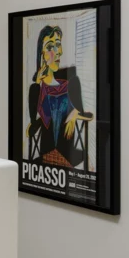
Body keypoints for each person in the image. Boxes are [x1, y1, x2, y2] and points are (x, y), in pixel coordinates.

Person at [27, 25, 92, 168]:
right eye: (50, 47)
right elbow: (33, 124)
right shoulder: (37, 88)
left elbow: (86, 115)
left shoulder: (71, 84)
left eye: (58, 45)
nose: (57, 52)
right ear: (42, 54)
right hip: (46, 152)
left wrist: (74, 114)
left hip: (67, 152)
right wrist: (38, 82)